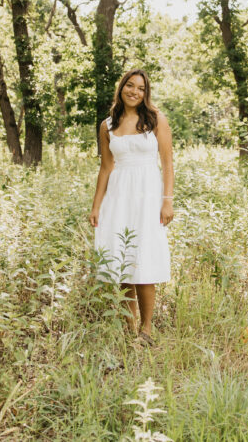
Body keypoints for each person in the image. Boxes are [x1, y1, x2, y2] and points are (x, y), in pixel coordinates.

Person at [88, 69, 174, 344]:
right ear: (121, 87)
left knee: (144, 258)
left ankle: (146, 330)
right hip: (119, 195)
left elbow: (168, 162)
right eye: (129, 85)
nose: (134, 91)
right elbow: (105, 167)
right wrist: (96, 206)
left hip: (148, 195)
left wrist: (167, 201)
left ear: (145, 92)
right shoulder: (107, 125)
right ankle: (129, 329)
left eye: (140, 87)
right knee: (124, 262)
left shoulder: (155, 119)